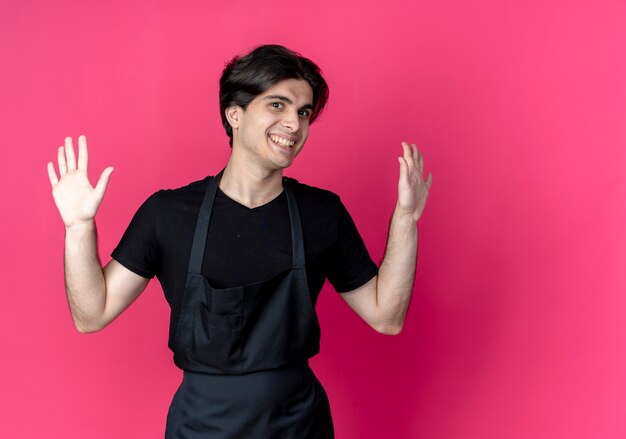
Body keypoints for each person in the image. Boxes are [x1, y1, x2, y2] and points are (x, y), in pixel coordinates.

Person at [47, 44, 432, 438]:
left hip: (299, 425)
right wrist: (79, 228)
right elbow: (91, 314)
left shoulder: (322, 213)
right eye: (278, 105)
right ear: (235, 114)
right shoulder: (168, 214)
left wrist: (406, 219)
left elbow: (387, 317)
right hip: (201, 427)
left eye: (303, 112)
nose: (295, 124)